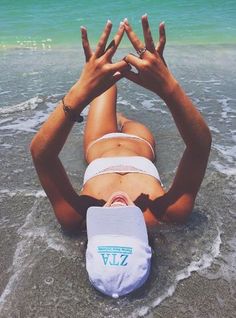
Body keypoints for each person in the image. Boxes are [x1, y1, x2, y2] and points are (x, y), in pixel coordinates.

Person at [30, 15, 211, 297]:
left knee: (104, 76)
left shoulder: (77, 217)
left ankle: (112, 110)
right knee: (124, 112)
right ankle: (122, 118)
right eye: (125, 223)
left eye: (108, 224)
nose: (116, 207)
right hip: (139, 142)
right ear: (148, 243)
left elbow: (42, 154)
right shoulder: (167, 214)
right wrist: (168, 88)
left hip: (99, 142)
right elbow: (199, 146)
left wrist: (79, 92)